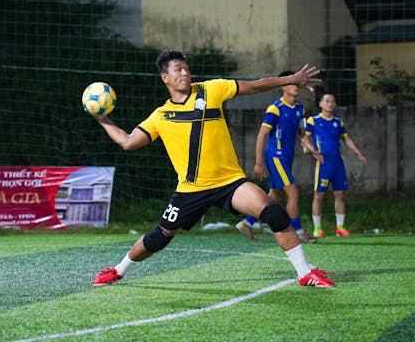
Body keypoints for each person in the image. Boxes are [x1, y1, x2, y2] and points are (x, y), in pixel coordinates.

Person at [89, 50, 334, 288]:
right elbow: (128, 142)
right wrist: (103, 120)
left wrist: (291, 79)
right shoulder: (160, 116)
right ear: (165, 78)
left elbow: (256, 85)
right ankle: (119, 269)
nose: (185, 73)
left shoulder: (211, 89)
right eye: (178, 70)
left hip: (230, 182)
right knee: (159, 237)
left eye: (186, 68)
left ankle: (305, 273)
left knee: (275, 214)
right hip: (191, 189)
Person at [235, 71, 315, 244]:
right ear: (283, 86)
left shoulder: (300, 108)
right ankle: (299, 232)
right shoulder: (275, 108)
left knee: (274, 196)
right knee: (293, 193)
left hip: (287, 157)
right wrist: (258, 163)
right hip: (275, 157)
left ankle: (246, 223)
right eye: (292, 83)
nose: (296, 86)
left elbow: (301, 135)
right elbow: (262, 135)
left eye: (297, 83)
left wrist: (313, 150)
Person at [299, 92, 367, 238]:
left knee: (340, 194)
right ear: (321, 104)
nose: (330, 103)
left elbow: (347, 140)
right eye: (327, 101)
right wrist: (308, 148)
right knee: (319, 194)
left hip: (337, 162)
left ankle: (340, 227)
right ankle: (317, 228)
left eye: (333, 101)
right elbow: (304, 138)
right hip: (323, 162)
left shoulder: (338, 122)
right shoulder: (313, 120)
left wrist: (358, 153)